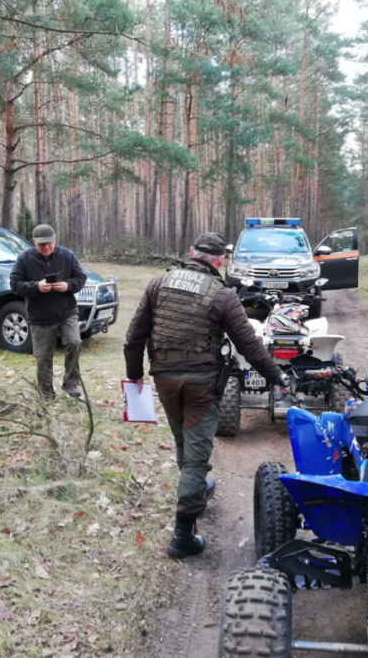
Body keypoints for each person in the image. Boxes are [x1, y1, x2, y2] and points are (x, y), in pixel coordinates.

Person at [124, 232, 289, 559]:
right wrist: (277, 376)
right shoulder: (223, 295)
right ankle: (183, 535)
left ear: (191, 252)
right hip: (200, 384)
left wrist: (134, 378)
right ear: (220, 261)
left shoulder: (158, 284)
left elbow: (133, 337)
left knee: (185, 442)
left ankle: (195, 488)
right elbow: (249, 346)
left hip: (164, 379)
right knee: (197, 456)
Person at [10, 224, 87, 401]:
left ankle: (71, 384)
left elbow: (80, 278)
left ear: (55, 239)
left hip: (66, 311)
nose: (46, 247)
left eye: (49, 244)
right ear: (33, 242)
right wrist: (36, 286)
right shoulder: (24, 259)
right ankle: (46, 393)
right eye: (41, 245)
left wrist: (68, 285)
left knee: (74, 342)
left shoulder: (67, 256)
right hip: (40, 316)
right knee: (43, 357)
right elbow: (14, 285)